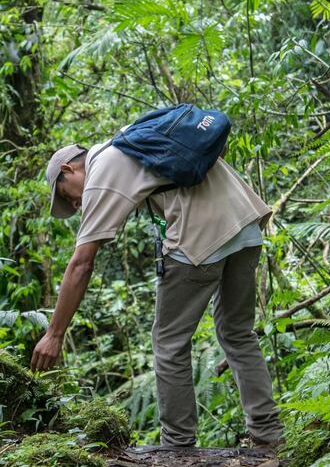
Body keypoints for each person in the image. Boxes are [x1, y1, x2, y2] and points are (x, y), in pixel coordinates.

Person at [31, 137, 281, 449]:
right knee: (237, 331)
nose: (74, 205)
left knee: (169, 342)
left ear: (68, 169)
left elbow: (81, 263)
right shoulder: (129, 143)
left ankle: (177, 446)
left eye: (66, 196)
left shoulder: (102, 171)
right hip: (245, 221)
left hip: (201, 233)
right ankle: (268, 434)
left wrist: (54, 333)